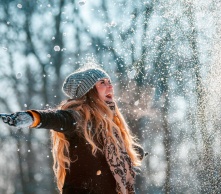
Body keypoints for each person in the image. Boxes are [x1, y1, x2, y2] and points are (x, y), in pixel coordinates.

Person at [1, 65, 145, 194]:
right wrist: (32, 117)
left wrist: (131, 151)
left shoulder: (111, 125)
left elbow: (108, 154)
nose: (110, 86)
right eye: (102, 82)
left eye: (109, 82)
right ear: (89, 91)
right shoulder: (78, 118)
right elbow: (56, 118)